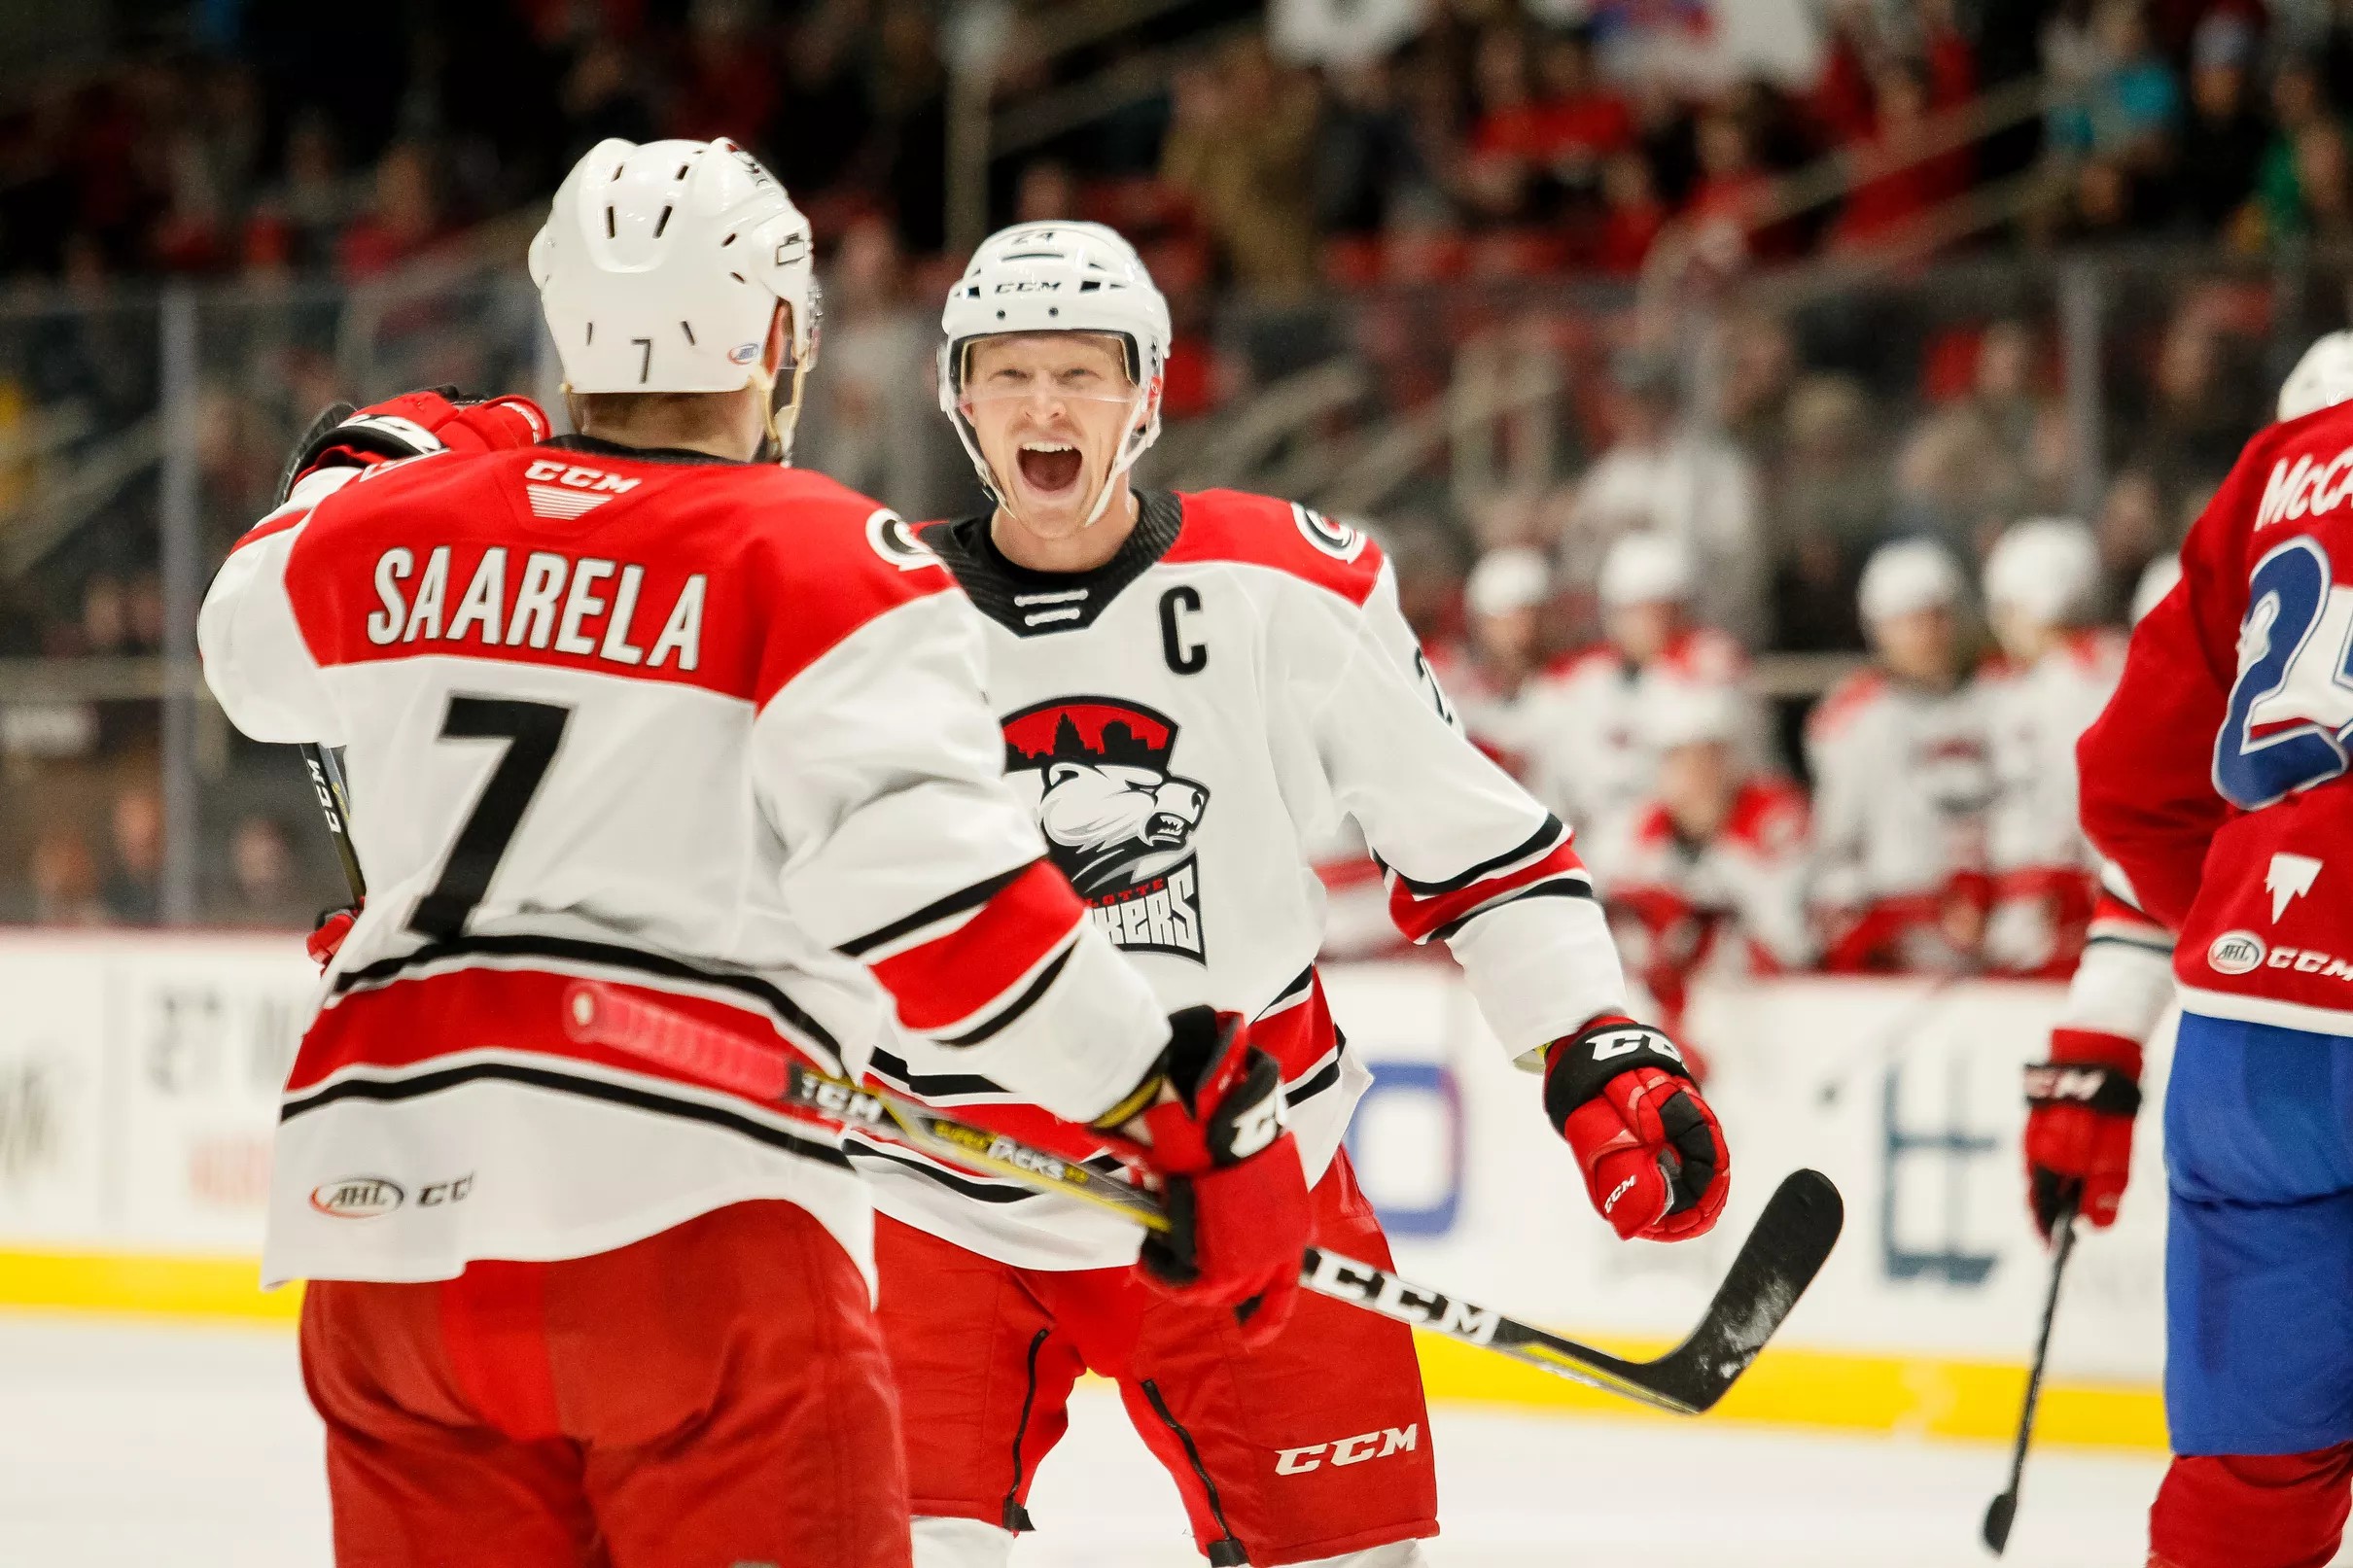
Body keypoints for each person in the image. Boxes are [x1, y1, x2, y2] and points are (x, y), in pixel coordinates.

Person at [195, 143, 1309, 1568]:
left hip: (386, 1253)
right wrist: (1163, 1096)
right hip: (690, 1243)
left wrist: (368, 465)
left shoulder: (384, 532)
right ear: (778, 337)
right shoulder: (818, 550)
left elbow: (246, 647)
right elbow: (947, 909)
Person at [868, 221, 1731, 1568]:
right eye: (1009, 373)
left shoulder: (1283, 583)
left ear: (1146, 396)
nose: (1045, 407)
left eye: (1083, 373)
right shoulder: (865, 604)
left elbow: (1475, 840)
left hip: (1251, 1174)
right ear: (956, 394)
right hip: (941, 1183)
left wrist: (1589, 1039)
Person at [2054, 330, 2353, 1568]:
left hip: (2250, 1044)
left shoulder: (2278, 467)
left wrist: (2243, 922)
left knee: (2245, 1480)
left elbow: (2126, 782)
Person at [1595, 685, 1815, 1061]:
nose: (1697, 774)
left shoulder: (1775, 817)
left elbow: (1791, 941)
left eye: (1708, 757)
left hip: (1767, 1017)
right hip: (1659, 1016)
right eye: (1681, 759)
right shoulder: (1632, 832)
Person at [1809, 539, 1994, 972]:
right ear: (1880, 628)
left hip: (1999, 930)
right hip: (1898, 934)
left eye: (1937, 617)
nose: (1927, 635)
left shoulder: (1996, 698)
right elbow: (1837, 842)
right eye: (1911, 621)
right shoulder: (1852, 717)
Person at [1522, 531, 1764, 858]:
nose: (1648, 622)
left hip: (1688, 850)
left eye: (1659, 608)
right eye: (1635, 610)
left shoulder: (1708, 667)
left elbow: (1721, 781)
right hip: (1595, 848)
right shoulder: (1582, 681)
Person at [1976, 516, 2124, 979]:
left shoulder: (2068, 681)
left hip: (2070, 908)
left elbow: (2069, 797)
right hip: (2096, 897)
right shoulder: (2113, 659)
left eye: (2010, 609)